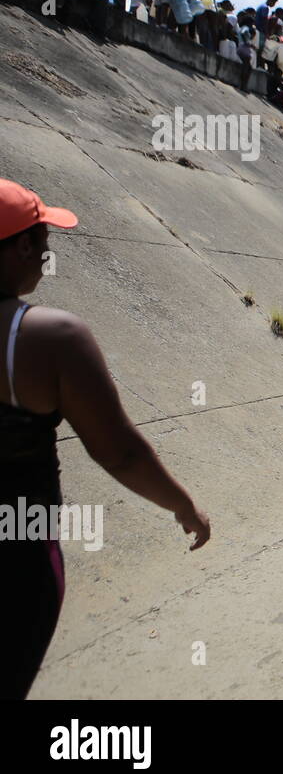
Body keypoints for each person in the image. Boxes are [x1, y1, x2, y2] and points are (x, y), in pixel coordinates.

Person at [0, 180, 210, 699]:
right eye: (42, 234)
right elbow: (117, 451)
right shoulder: (48, 337)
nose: (49, 249)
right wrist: (184, 506)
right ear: (22, 245)